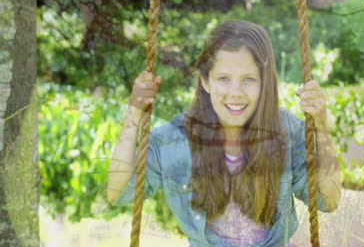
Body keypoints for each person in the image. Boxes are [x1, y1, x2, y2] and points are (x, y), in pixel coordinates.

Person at [107, 20, 341, 247]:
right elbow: (117, 192)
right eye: (223, 79)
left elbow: (328, 201)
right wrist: (134, 112)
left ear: (264, 83)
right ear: (206, 81)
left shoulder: (285, 130)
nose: (235, 92)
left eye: (248, 79)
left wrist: (320, 125)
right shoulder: (175, 140)